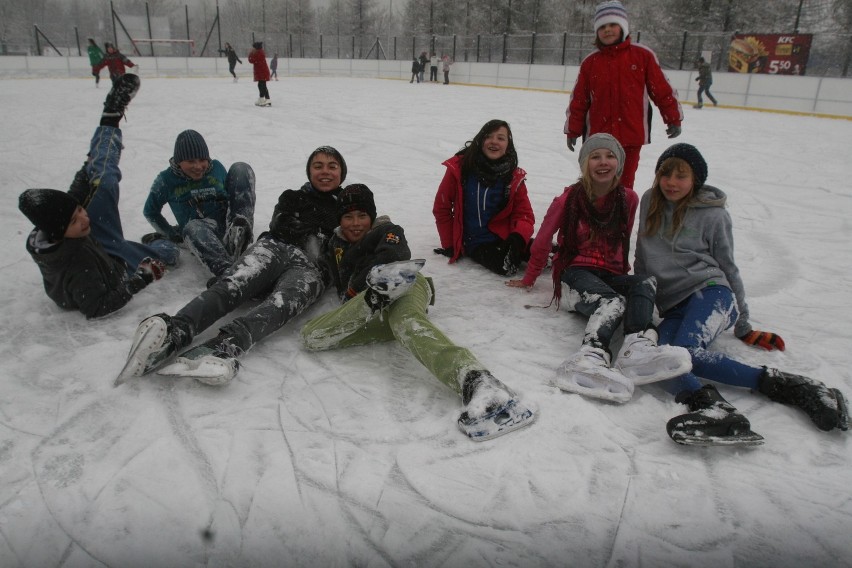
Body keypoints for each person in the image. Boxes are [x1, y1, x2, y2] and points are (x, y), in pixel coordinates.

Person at [635, 143, 848, 444]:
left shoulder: (713, 216)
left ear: (695, 178)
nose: (671, 182)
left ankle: (797, 387)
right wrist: (641, 296)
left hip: (710, 291)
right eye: (665, 174)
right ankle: (714, 409)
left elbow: (728, 266)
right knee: (662, 359)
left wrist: (743, 322)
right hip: (673, 304)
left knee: (688, 352)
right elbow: (643, 254)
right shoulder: (650, 201)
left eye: (680, 176)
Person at [301, 184, 536, 441]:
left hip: (404, 286)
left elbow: (395, 253)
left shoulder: (386, 231)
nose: (355, 223)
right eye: (348, 217)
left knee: (406, 322)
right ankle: (374, 299)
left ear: (371, 216)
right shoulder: (334, 245)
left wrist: (359, 285)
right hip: (365, 307)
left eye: (362, 216)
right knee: (313, 336)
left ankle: (478, 382)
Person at [117, 147, 349, 386]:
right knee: (233, 283)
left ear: (342, 172)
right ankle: (177, 329)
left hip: (310, 269)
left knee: (282, 304)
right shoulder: (293, 196)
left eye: (332, 166)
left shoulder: (349, 207)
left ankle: (224, 346)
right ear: (309, 171)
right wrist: (317, 234)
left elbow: (355, 241)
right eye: (318, 166)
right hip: (274, 247)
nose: (325, 172)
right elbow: (281, 224)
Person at [506, 134, 691, 403]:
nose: (603, 162)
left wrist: (627, 276)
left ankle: (636, 349)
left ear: (620, 162)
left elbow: (623, 238)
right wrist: (530, 277)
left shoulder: (628, 198)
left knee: (645, 282)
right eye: (595, 156)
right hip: (574, 273)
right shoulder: (568, 198)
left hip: (609, 274)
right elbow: (544, 239)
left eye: (610, 156)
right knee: (612, 301)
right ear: (584, 164)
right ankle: (589, 356)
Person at [18, 75, 176, 319]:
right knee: (168, 253)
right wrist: (139, 280)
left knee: (103, 179)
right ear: (59, 232)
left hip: (91, 242)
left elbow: (76, 199)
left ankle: (110, 118)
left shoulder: (58, 220)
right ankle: (156, 242)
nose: (82, 217)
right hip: (111, 265)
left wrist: (88, 169)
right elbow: (97, 306)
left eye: (79, 211)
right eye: (74, 220)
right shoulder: (80, 267)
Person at [564, 0, 683, 190]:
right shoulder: (590, 63)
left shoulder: (642, 56)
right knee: (597, 184)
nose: (608, 30)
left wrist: (673, 118)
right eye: (602, 26)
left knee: (624, 186)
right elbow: (579, 100)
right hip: (599, 137)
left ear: (624, 27)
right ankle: (592, 217)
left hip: (630, 135)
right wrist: (573, 130)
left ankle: (622, 219)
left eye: (613, 25)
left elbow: (662, 90)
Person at [143, 130, 256, 278]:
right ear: (178, 162)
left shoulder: (216, 167)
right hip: (202, 232)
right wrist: (171, 234)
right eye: (190, 161)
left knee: (241, 168)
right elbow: (150, 211)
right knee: (193, 227)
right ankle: (228, 273)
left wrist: (237, 215)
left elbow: (234, 193)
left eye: (202, 159)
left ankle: (240, 232)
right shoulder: (166, 180)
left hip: (229, 224)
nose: (198, 166)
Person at [433, 119, 535, 276]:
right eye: (489, 136)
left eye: (501, 138)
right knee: (505, 266)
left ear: (508, 145)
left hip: (505, 237)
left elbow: (524, 214)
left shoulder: (513, 175)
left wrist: (517, 238)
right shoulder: (461, 168)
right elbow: (442, 207)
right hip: (476, 242)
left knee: (545, 253)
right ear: (481, 140)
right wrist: (450, 244)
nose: (494, 142)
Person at [248, 42, 271, 107]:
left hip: (262, 72)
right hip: (261, 72)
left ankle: (262, 99)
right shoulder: (259, 52)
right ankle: (267, 99)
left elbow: (251, 60)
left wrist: (250, 53)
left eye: (253, 47)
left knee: (262, 85)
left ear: (256, 48)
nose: (252, 49)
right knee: (262, 85)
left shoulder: (259, 53)